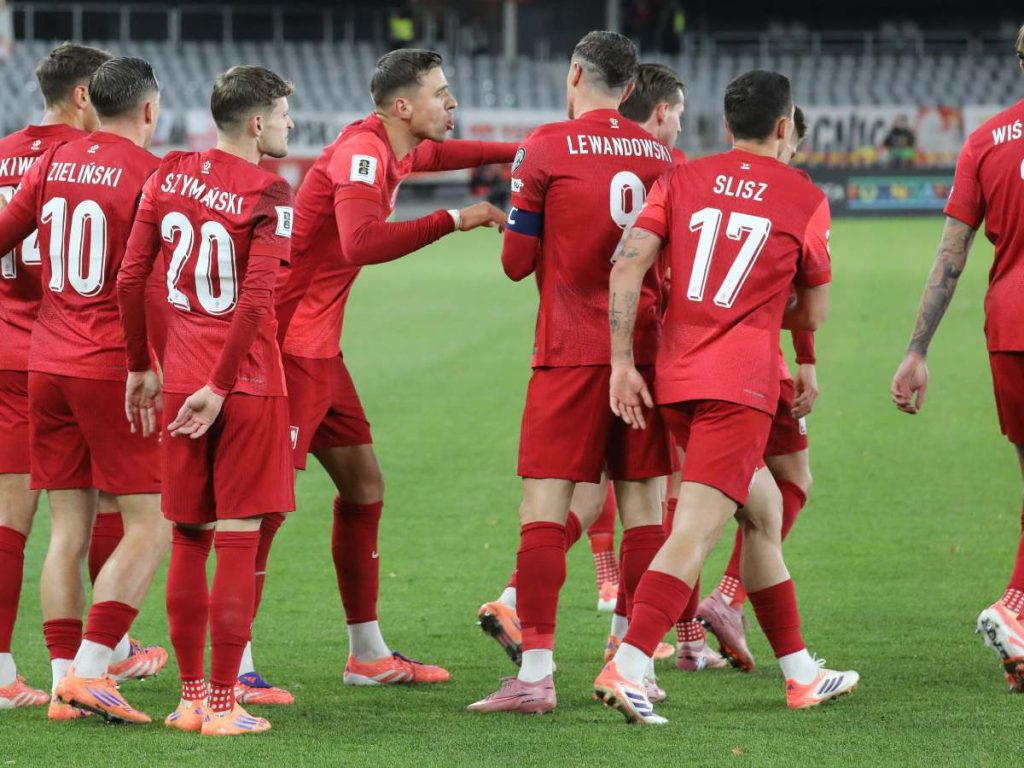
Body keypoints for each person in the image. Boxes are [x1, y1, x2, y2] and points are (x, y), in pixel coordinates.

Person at [594, 70, 858, 724]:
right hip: (738, 386)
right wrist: (779, 316)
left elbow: (627, 263)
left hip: (675, 376)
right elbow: (812, 311)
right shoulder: (803, 197)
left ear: (725, 125)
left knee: (762, 515)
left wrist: (622, 362)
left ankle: (799, 673)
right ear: (782, 127)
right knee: (696, 531)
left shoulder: (682, 179)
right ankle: (628, 664)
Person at [274, 47, 512, 687]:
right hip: (285, 345)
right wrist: (456, 218)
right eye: (441, 92)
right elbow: (360, 242)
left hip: (320, 347)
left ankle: (367, 655)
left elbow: (445, 155)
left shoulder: (396, 144)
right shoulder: (362, 152)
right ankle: (231, 669)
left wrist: (529, 151)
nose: (452, 102)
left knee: (363, 488)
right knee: (259, 508)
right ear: (403, 106)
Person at [467, 31, 675, 716]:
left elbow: (516, 262)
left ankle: (536, 675)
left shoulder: (546, 146)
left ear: (577, 73)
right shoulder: (661, 155)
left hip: (569, 349)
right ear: (629, 87)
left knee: (545, 511)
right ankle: (629, 660)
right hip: (643, 350)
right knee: (644, 508)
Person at [118, 64, 297, 736]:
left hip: (181, 385)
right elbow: (255, 301)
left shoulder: (167, 174)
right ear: (256, 123)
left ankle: (191, 698)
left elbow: (132, 277)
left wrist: (142, 366)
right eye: (282, 115)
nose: (287, 125)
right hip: (243, 388)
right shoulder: (271, 191)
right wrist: (223, 386)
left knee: (189, 541)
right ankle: (225, 706)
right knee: (240, 542)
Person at [0, 56, 167, 723]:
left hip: (46, 362)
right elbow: (145, 287)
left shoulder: (51, 164)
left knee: (66, 527)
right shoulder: (148, 175)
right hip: (106, 365)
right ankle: (97, 666)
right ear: (149, 111)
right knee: (150, 521)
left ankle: (65, 679)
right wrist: (145, 364)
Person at [891, 24, 1024, 693]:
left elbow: (952, 256)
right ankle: (1015, 607)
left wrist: (917, 350)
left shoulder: (986, 140)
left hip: (1008, 326)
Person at [0, 42, 112, 715]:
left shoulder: (3, 150)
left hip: (8, 346)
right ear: (82, 96)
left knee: (47, 512)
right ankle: (39, 665)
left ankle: (98, 653)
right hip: (62, 351)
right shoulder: (83, 164)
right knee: (105, 502)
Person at [697, 105, 819, 672]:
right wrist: (806, 361)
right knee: (766, 492)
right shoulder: (796, 193)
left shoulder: (702, 180)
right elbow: (803, 297)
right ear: (782, 132)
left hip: (691, 361)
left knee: (701, 501)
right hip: (754, 367)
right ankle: (720, 602)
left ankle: (669, 642)